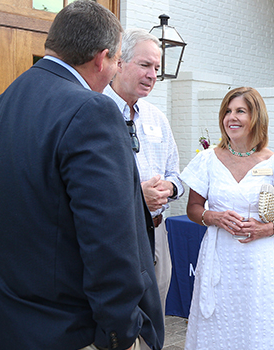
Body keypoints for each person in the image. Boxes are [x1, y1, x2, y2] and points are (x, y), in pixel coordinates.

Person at [0, 2, 163, 349]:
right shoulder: (91, 110)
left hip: (9, 318)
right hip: (69, 328)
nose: (115, 70)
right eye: (120, 61)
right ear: (102, 58)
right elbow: (108, 240)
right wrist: (121, 332)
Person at [179, 87, 274, 350]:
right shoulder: (208, 160)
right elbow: (193, 208)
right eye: (227, 111)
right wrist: (214, 217)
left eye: (240, 111)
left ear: (256, 117)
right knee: (219, 326)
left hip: (261, 262)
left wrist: (265, 229)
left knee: (260, 324)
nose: (231, 117)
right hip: (219, 259)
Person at [103, 28, 183, 315]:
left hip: (158, 230)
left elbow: (176, 174)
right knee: (122, 314)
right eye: (145, 65)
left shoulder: (157, 118)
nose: (152, 75)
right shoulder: (95, 112)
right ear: (119, 63)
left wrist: (170, 189)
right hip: (119, 235)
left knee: (155, 312)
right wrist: (139, 197)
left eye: (157, 68)